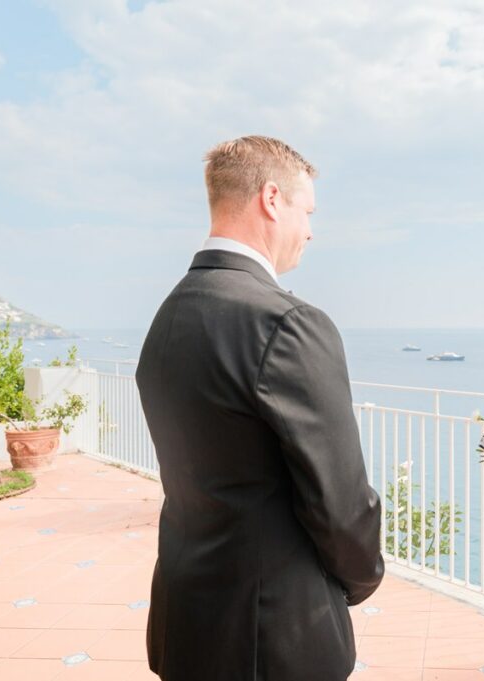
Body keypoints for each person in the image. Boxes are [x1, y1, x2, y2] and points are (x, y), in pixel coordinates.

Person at [136, 136, 384, 681]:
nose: (311, 231)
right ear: (272, 199)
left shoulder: (167, 318)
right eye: (307, 211)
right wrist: (361, 580)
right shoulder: (288, 324)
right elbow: (341, 503)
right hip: (273, 634)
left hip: (187, 617)